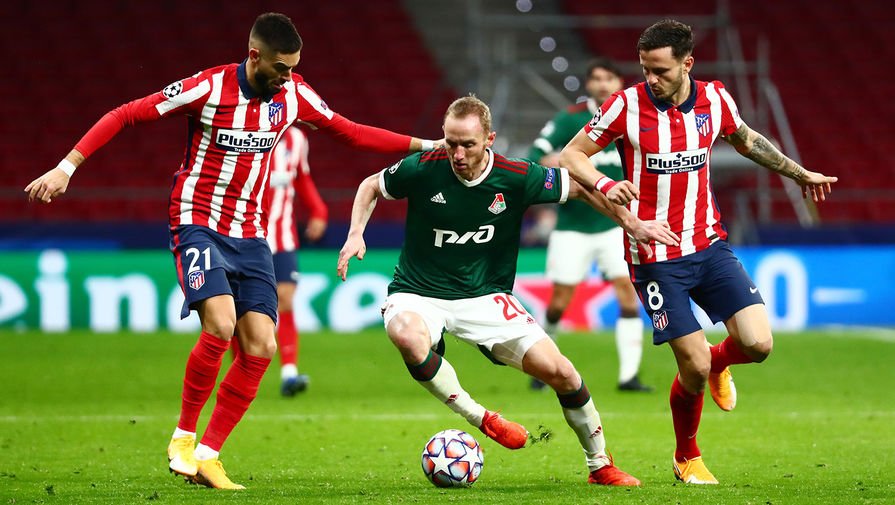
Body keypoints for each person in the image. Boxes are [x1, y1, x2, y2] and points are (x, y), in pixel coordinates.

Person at [25, 12, 440, 490]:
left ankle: (208, 455)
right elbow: (126, 113)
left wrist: (428, 145)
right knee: (221, 325)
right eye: (281, 68)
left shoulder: (293, 94)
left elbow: (351, 131)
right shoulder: (207, 88)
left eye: (294, 68)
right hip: (196, 222)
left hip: (251, 233)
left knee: (261, 344)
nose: (288, 77)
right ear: (254, 56)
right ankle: (183, 437)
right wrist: (67, 167)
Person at [337, 95, 681, 487]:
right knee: (406, 336)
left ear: (489, 139)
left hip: (486, 296)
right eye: (451, 143)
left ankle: (600, 464)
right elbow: (371, 185)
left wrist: (631, 224)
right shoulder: (423, 168)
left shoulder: (516, 176)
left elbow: (582, 189)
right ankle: (482, 418)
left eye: (468, 144)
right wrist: (355, 234)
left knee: (563, 374)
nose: (458, 154)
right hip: (418, 292)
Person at [560, 19, 838, 485]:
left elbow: (747, 140)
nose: (651, 78)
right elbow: (572, 155)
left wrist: (799, 173)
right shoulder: (625, 105)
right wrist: (607, 184)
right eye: (645, 69)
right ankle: (686, 455)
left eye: (661, 70)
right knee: (693, 364)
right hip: (654, 257)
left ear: (687, 63)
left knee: (759, 345)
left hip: (708, 245)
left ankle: (719, 364)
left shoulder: (716, 100)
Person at [527, 58, 651, 393]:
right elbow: (534, 155)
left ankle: (629, 376)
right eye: (596, 78)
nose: (602, 84)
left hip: (616, 224)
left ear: (619, 82)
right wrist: (558, 162)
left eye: (609, 78)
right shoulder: (570, 119)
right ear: (588, 84)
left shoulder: (634, 117)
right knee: (559, 302)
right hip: (572, 227)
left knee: (628, 295)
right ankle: (542, 366)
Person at [230, 126, 326, 397]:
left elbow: (301, 177)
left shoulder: (296, 139)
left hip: (283, 237)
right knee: (237, 311)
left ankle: (289, 373)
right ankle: (240, 372)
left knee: (285, 298)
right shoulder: (243, 131)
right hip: (244, 236)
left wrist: (318, 210)